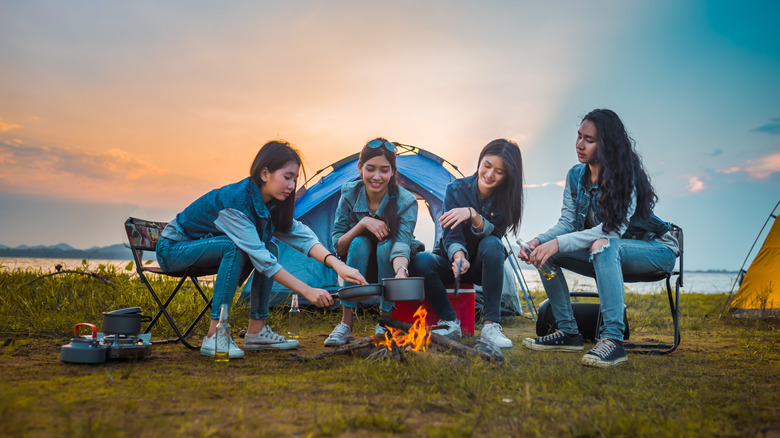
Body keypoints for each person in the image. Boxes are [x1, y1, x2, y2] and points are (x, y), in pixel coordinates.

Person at [156, 140, 366, 358]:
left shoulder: (270, 205)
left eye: (295, 179)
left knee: (270, 247)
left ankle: (256, 331)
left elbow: (302, 236)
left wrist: (338, 265)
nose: (292, 186)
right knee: (235, 249)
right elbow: (262, 260)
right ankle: (214, 335)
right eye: (287, 177)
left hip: (204, 249)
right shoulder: (236, 203)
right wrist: (307, 290)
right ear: (265, 173)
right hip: (174, 249)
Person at [519, 109, 679, 368]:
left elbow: (610, 233)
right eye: (579, 136)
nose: (580, 145)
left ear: (607, 145)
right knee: (545, 256)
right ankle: (569, 333)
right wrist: (538, 242)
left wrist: (557, 243)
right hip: (605, 251)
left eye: (589, 140)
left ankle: (613, 341)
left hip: (655, 250)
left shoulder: (626, 178)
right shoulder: (575, 176)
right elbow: (568, 223)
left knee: (602, 245)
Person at [409, 139, 524, 348]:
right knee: (422, 261)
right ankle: (450, 321)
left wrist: (472, 214)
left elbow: (495, 234)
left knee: (492, 244)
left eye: (499, 171)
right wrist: (458, 257)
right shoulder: (456, 189)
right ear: (480, 161)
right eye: (487, 165)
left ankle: (491, 326)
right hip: (452, 262)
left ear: (508, 175)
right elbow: (450, 232)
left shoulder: (507, 200)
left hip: (484, 266)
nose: (489, 175)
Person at [324, 138, 419, 346]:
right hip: (357, 262)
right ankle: (346, 324)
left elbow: (402, 244)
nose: (377, 177)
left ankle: (385, 323)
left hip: (391, 263)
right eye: (370, 169)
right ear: (360, 168)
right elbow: (338, 247)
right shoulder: (349, 194)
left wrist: (402, 272)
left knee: (386, 246)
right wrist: (362, 224)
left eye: (384, 170)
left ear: (393, 172)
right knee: (359, 242)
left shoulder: (406, 201)